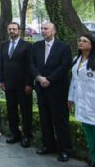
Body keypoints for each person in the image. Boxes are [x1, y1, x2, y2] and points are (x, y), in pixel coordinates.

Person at [30, 22, 73, 162]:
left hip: (57, 89)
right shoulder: (36, 46)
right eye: (42, 28)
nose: (43, 31)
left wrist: (49, 79)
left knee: (60, 120)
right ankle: (48, 145)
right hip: (41, 89)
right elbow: (32, 64)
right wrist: (38, 77)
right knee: (45, 118)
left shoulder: (63, 47)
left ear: (54, 31)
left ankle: (64, 149)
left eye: (46, 29)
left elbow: (65, 66)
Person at [68, 33, 95, 167]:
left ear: (92, 45)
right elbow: (74, 81)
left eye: (85, 41)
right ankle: (93, 159)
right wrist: (70, 98)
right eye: (80, 40)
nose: (81, 43)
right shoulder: (77, 59)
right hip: (82, 102)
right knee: (88, 133)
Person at [0, 22, 34, 148]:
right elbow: (2, 63)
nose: (12, 31)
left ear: (19, 31)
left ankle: (27, 136)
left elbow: (29, 66)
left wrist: (29, 83)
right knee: (12, 110)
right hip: (8, 84)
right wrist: (2, 80)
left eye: (14, 29)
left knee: (26, 111)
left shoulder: (27, 46)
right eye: (10, 29)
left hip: (23, 85)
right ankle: (15, 133)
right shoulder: (4, 45)